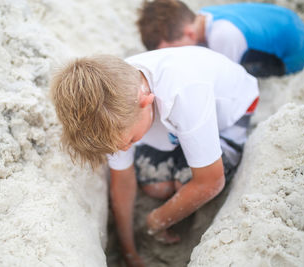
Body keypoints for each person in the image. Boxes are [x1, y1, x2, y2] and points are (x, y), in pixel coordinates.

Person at [51, 46, 259, 267]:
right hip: (172, 123)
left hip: (226, 119)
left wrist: (156, 221)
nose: (124, 150)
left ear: (146, 101)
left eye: (130, 141)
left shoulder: (183, 92)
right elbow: (122, 181)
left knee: (185, 184)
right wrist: (128, 251)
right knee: (156, 188)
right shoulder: (112, 107)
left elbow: (211, 181)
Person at [137, 0, 304, 77]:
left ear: (190, 34)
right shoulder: (201, 16)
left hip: (296, 53)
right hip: (288, 20)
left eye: (172, 51)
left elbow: (227, 83)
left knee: (228, 70)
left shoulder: (223, 36)